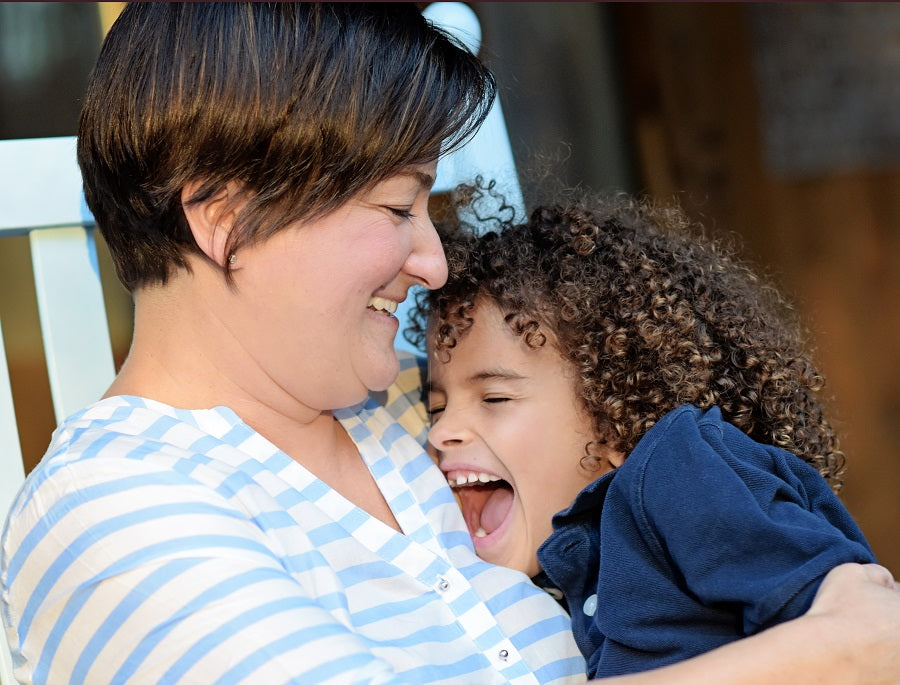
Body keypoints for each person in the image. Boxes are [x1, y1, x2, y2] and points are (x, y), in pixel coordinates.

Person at [1, 3, 900, 684]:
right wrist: (823, 655)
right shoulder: (108, 513)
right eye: (396, 208)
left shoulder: (432, 397)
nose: (432, 262)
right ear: (227, 220)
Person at [413, 195, 879, 678]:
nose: (442, 430)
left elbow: (856, 624)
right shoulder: (563, 578)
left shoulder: (679, 472)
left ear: (617, 411)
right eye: (437, 407)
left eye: (494, 398)